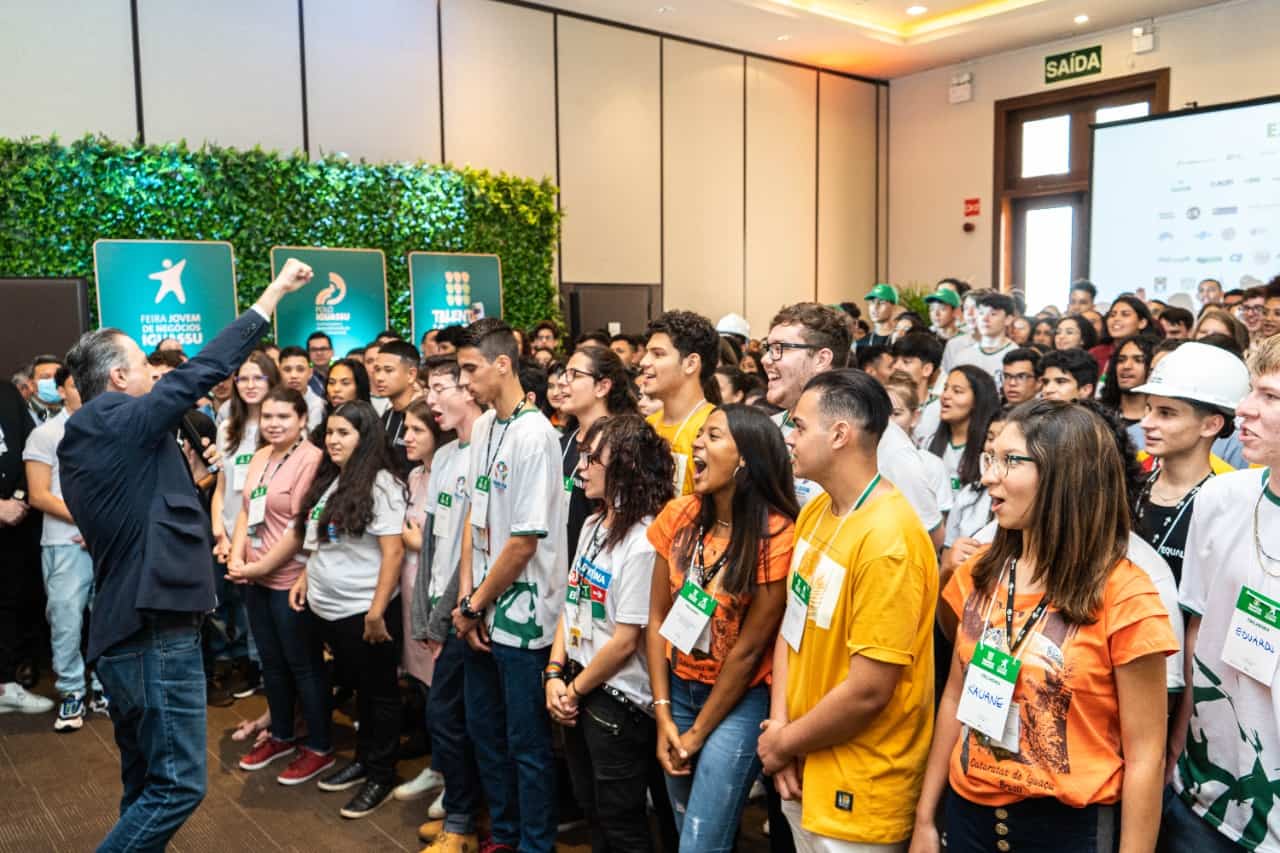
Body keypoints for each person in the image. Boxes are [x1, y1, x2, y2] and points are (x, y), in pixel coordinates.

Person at [58, 260, 312, 850]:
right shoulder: (119, 420)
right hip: (152, 631)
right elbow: (203, 370)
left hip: (127, 631)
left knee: (146, 784)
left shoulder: (93, 434)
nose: (155, 373)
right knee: (176, 788)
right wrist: (272, 293)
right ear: (120, 377)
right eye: (145, 365)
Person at [911, 401, 1178, 853]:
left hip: (1067, 830)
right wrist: (924, 819)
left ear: (1064, 475)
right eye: (989, 457)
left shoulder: (1126, 595)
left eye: (1010, 460)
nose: (990, 475)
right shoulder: (979, 574)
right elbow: (955, 696)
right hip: (967, 818)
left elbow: (1146, 757)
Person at [760, 369, 936, 852]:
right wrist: (780, 732)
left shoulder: (889, 539)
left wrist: (784, 743)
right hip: (802, 762)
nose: (788, 437)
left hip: (862, 781)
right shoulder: (819, 511)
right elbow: (790, 629)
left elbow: (868, 690)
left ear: (839, 434)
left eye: (798, 426)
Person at [646, 404, 797, 853]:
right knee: (685, 829)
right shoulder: (679, 516)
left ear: (745, 458)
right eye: (699, 436)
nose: (697, 444)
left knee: (700, 841)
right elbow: (657, 620)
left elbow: (749, 652)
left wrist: (694, 735)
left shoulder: (776, 534)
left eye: (713, 436)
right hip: (677, 690)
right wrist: (663, 715)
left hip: (740, 700)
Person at [452, 318, 566, 853]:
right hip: (482, 609)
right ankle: (506, 833)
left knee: (527, 745)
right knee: (487, 735)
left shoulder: (535, 434)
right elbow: (476, 519)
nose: (463, 381)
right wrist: (467, 600)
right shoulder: (484, 429)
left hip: (524, 617)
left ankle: (535, 845)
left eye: (470, 369)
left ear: (503, 364)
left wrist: (477, 603)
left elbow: (523, 541)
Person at [1165, 334, 1280, 852]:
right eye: (1251, 392)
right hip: (1206, 797)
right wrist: (1175, 746)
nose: (1245, 410)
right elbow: (1196, 632)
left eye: (1270, 397)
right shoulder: (1221, 496)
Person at [546, 415, 675, 853]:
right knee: (592, 809)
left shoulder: (644, 542)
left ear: (624, 467)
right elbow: (571, 601)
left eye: (592, 459)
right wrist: (553, 673)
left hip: (616, 700)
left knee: (621, 822)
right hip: (578, 682)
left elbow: (626, 639)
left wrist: (573, 690)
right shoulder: (592, 525)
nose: (581, 468)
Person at [295, 400, 407, 818]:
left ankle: (381, 773)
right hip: (330, 611)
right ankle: (363, 760)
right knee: (360, 691)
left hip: (364, 611)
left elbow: (392, 553)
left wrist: (377, 612)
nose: (333, 440)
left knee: (380, 695)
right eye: (330, 432)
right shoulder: (332, 479)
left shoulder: (382, 484)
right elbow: (324, 540)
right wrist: (306, 577)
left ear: (365, 438)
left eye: (344, 433)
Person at [763, 302, 944, 546]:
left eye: (779, 349)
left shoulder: (881, 440)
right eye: (768, 348)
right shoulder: (771, 429)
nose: (766, 359)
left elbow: (927, 536)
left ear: (821, 358)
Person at [224, 386, 333, 784]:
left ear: (303, 420)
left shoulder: (313, 460)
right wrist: (238, 559)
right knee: (271, 664)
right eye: (267, 416)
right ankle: (282, 734)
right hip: (254, 578)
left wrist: (256, 569)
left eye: (283, 417)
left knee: (303, 666)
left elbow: (299, 528)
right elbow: (244, 513)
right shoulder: (259, 457)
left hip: (289, 581)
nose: (273, 424)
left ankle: (320, 746)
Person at [412, 355, 484, 849]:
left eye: (441, 388)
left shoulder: (486, 450)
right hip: (440, 606)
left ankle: (463, 823)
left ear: (470, 389)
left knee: (453, 718)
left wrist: (445, 616)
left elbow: (477, 546)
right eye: (429, 388)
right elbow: (435, 539)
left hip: (466, 612)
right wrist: (423, 610)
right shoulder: (445, 456)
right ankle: (460, 813)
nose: (432, 399)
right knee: (447, 718)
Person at [1129, 342, 1248, 584]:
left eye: (1166, 413)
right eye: (1149, 408)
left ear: (1210, 425)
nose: (1146, 422)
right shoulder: (1131, 486)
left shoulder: (1228, 508)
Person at [22, 366, 99, 729]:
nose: (83, 391)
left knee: (109, 619)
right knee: (66, 621)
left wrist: (105, 528)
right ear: (62, 390)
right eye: (75, 386)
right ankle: (72, 692)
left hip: (108, 543)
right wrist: (89, 522)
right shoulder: (46, 434)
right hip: (64, 542)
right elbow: (38, 495)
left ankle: (103, 687)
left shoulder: (109, 428)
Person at [392, 397, 447, 803]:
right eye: (405, 428)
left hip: (437, 595)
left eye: (416, 430)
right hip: (411, 590)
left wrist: (416, 540)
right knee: (424, 685)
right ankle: (438, 766)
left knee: (444, 693)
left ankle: (450, 775)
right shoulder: (413, 476)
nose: (405, 437)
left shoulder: (447, 475)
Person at [557, 345, 637, 560]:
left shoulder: (620, 448)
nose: (562, 381)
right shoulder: (563, 442)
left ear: (602, 387)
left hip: (600, 566)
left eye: (574, 375)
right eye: (565, 373)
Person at [640, 311, 720, 496]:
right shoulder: (648, 425)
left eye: (658, 354)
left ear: (691, 364)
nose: (644, 362)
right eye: (646, 353)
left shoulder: (714, 429)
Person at [927, 365, 1001, 497]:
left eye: (957, 391)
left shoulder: (988, 448)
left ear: (977, 400)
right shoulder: (929, 443)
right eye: (945, 388)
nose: (945, 396)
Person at [372, 340, 421, 478]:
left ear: (411, 375)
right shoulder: (386, 416)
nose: (379, 377)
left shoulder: (425, 417)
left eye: (388, 370)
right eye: (377, 370)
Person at [953, 292, 1016, 392]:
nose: (985, 319)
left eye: (993, 314)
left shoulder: (1015, 355)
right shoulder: (963, 356)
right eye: (981, 313)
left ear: (1008, 319)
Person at [890, 332, 944, 446]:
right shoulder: (881, 402)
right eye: (895, 361)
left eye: (906, 362)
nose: (896, 367)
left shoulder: (940, 409)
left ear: (927, 369)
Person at [1100, 334, 1158, 427]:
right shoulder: (1098, 416)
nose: (1126, 366)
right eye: (1121, 360)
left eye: (1139, 360)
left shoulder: (1162, 421)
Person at [278, 345, 326, 430]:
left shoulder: (320, 406)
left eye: (300, 369)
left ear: (310, 372)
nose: (294, 375)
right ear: (279, 372)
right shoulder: (270, 402)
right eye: (287, 369)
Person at [306, 332, 334, 398]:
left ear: (332, 352)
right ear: (308, 354)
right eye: (314, 349)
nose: (319, 353)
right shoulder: (304, 378)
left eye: (323, 349)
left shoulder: (340, 374)